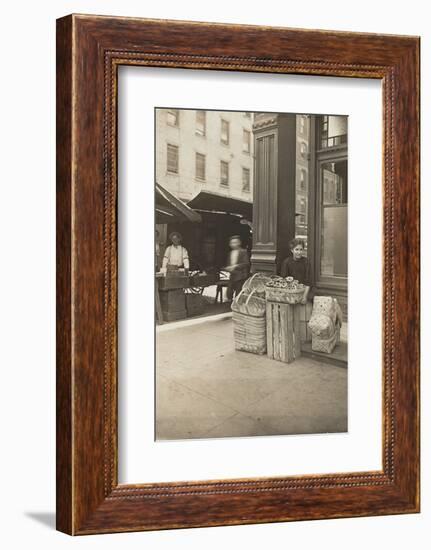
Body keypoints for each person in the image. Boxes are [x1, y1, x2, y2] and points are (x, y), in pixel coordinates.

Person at [280, 238, 311, 304]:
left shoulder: (306, 262)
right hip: (290, 293)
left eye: (301, 250)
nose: (299, 252)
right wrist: (286, 279)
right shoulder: (286, 262)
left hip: (303, 292)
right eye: (296, 249)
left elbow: (308, 282)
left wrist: (304, 297)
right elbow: (283, 280)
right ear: (292, 250)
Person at [224, 235, 250, 302]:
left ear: (239, 243)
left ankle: (237, 306)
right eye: (232, 243)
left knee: (238, 293)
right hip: (232, 275)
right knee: (229, 293)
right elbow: (229, 264)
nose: (233, 244)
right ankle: (230, 305)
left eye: (235, 242)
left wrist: (235, 266)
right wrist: (228, 268)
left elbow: (246, 263)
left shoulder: (243, 251)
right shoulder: (230, 253)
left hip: (241, 276)